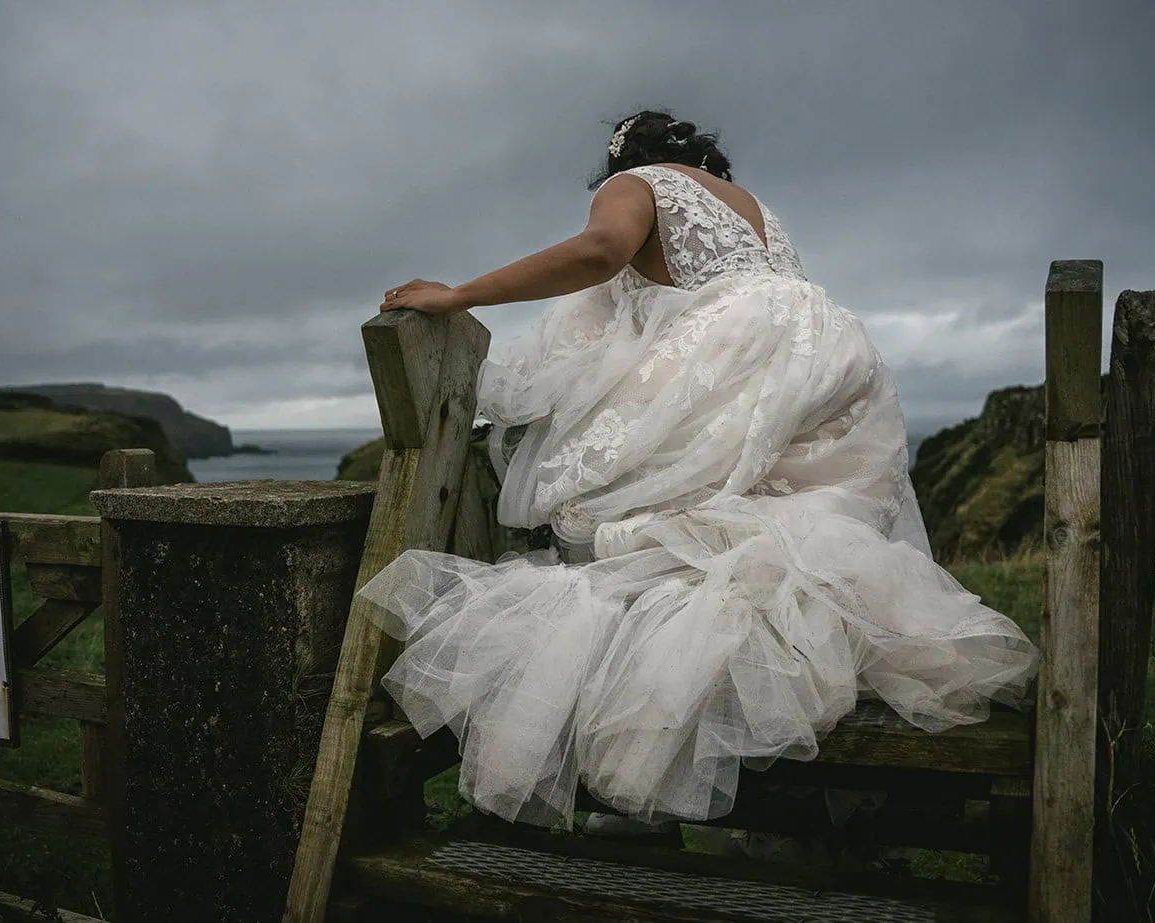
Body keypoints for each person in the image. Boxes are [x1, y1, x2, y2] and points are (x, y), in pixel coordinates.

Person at [361, 109, 1036, 834]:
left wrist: (461, 294)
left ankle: (641, 731)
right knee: (789, 520)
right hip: (832, 351)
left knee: (620, 523)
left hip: (741, 344)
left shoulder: (638, 182)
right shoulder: (756, 212)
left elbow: (601, 249)